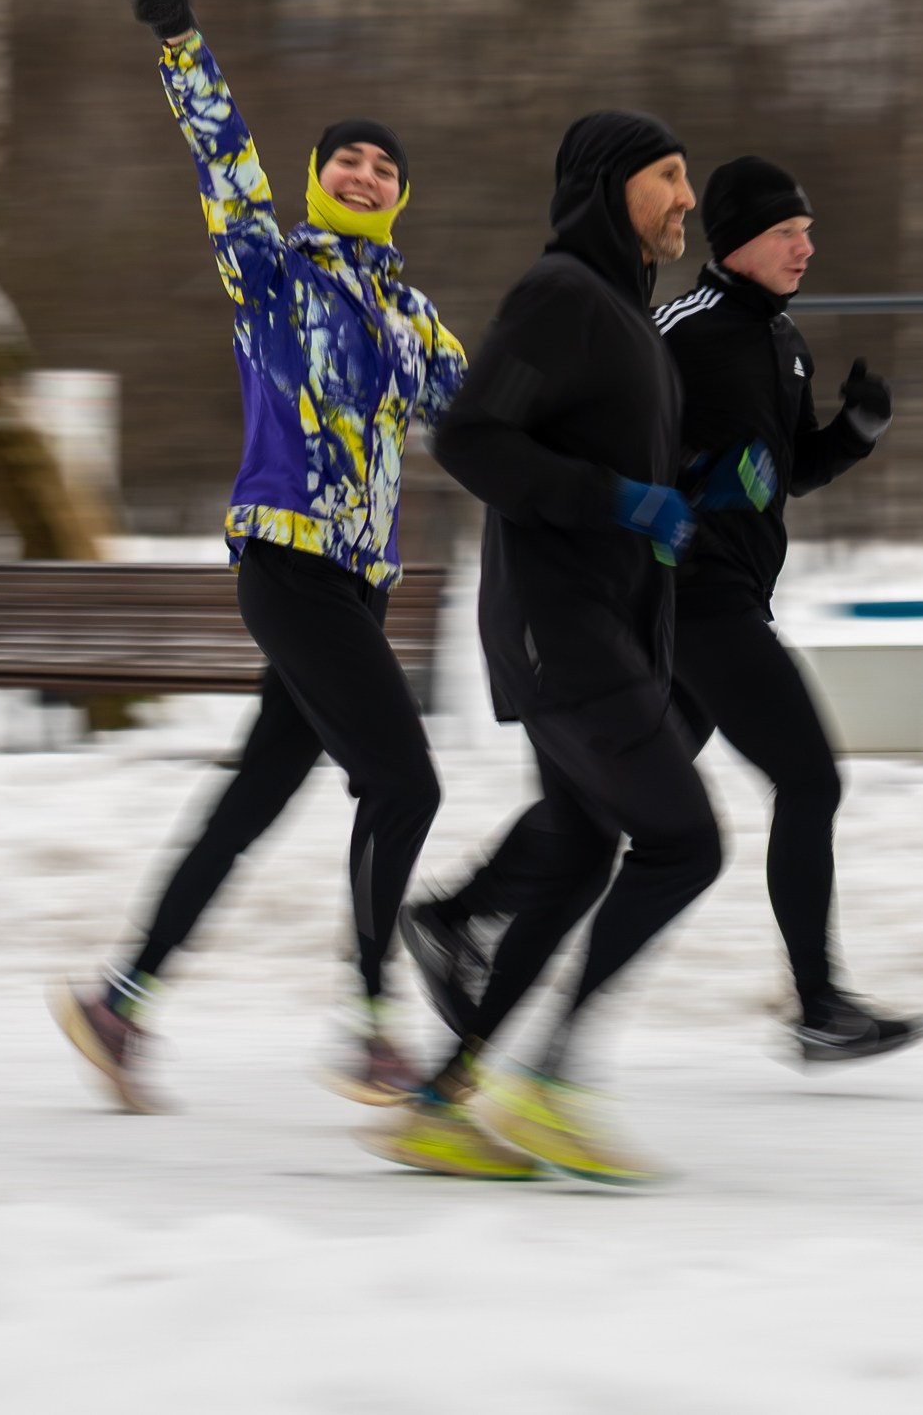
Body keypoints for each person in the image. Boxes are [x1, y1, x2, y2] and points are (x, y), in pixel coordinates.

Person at [51, 0, 466, 1115]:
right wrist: (179, 35)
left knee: (253, 801)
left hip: (354, 591)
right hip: (286, 567)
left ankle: (118, 1005)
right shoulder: (269, 268)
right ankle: (376, 1025)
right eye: (348, 161)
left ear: (400, 194)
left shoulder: (411, 318)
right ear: (318, 176)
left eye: (384, 168)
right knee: (408, 784)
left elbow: (488, 414)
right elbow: (220, 154)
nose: (365, 175)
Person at [407, 157, 923, 1064]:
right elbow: (615, 431)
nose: (806, 245)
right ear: (734, 240)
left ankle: (456, 920)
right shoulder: (677, 328)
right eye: (786, 231)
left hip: (724, 598)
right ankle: (815, 1002)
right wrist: (684, 487)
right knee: (808, 779)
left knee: (605, 810)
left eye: (808, 230)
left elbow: (782, 474)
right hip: (687, 599)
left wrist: (849, 436)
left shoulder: (784, 341)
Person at [358, 111, 756, 1184]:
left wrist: (698, 488)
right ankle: (553, 1085)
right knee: (686, 844)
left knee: (583, 851)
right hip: (561, 630)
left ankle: (445, 1104)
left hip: (599, 630)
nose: (686, 199)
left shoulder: (626, 318)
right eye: (668, 177)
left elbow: (619, 468)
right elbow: (474, 435)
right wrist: (618, 501)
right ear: (607, 186)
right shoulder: (563, 296)